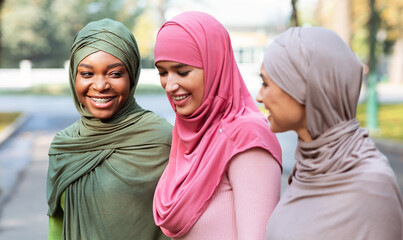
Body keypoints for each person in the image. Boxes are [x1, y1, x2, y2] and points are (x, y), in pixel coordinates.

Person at [257, 26, 403, 240]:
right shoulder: (308, 167)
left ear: (302, 86)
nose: (260, 97)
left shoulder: (370, 185)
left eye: (265, 83)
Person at [152, 11, 282, 240]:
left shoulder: (246, 135)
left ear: (214, 66)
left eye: (182, 72)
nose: (170, 85)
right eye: (162, 72)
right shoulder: (189, 133)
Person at [46, 19, 172, 240]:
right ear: (74, 77)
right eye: (87, 74)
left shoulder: (162, 140)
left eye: (115, 74)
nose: (100, 85)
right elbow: (56, 227)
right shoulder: (64, 146)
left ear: (132, 76)